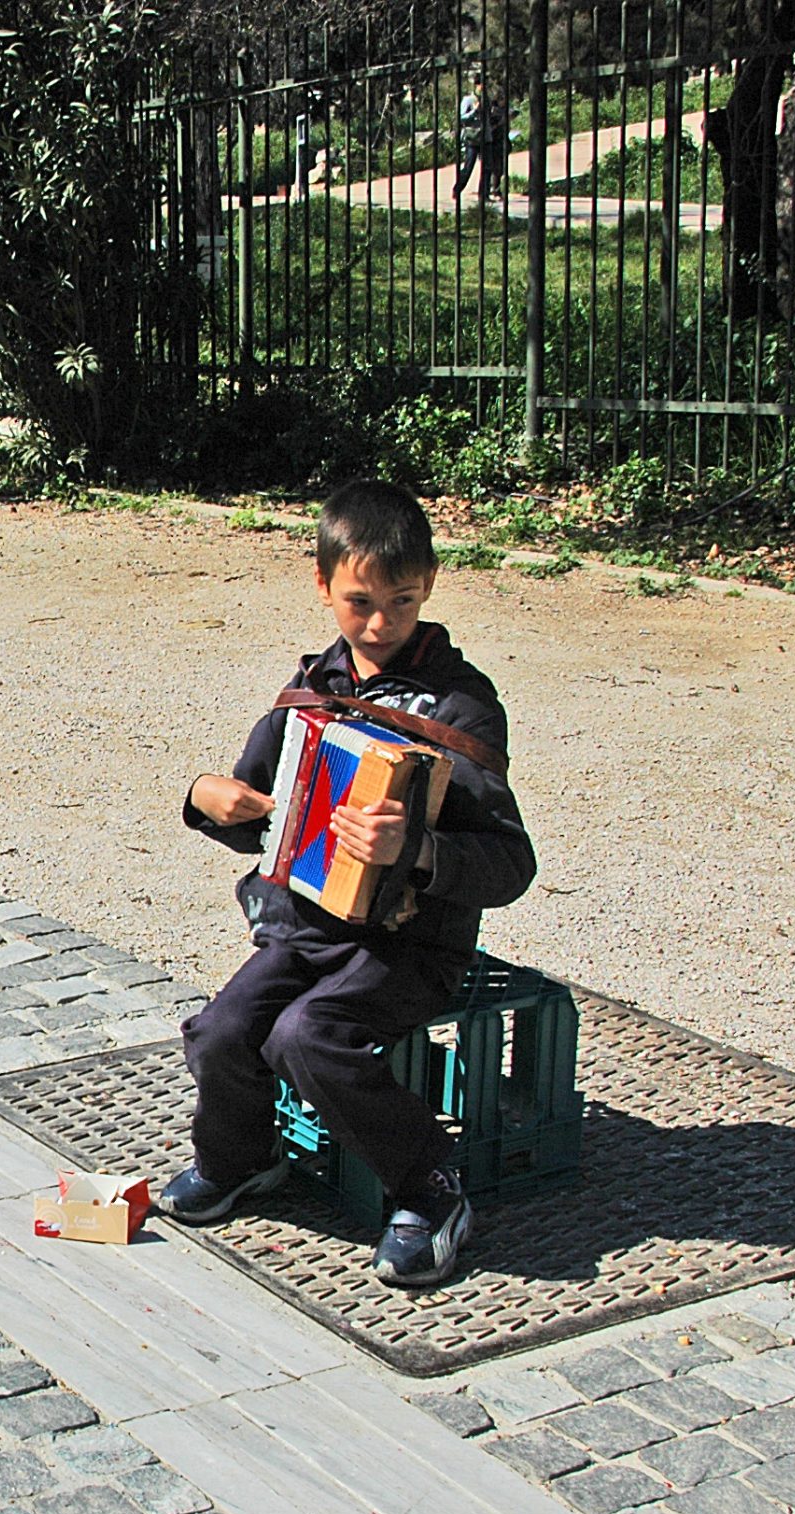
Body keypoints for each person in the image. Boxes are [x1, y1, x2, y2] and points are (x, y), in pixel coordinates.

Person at [162, 480, 535, 1287]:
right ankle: (242, 1159)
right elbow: (259, 813)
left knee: (307, 1035)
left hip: (413, 945)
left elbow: (511, 865)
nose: (379, 622)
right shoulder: (310, 694)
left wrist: (423, 850)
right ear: (323, 586)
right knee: (222, 1030)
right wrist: (206, 799)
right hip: (306, 928)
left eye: (401, 600)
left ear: (430, 584)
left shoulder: (462, 709)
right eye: (360, 601)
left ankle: (430, 1188)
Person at [451, 87, 509, 206]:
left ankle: (484, 195)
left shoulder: (487, 100)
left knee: (487, 168)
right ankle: (457, 189)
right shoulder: (468, 100)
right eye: (480, 84)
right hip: (473, 138)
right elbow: (462, 118)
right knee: (468, 167)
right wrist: (475, 111)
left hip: (486, 138)